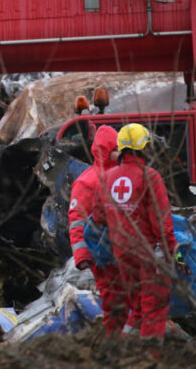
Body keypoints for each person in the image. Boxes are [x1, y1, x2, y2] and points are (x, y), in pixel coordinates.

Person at [94, 123, 178, 341]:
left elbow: (98, 217)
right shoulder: (150, 176)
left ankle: (122, 348)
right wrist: (171, 253)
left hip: (122, 254)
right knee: (154, 308)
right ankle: (148, 360)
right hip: (148, 254)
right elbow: (162, 222)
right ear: (144, 148)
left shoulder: (106, 178)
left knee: (139, 306)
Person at [67, 125, 125, 333]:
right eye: (115, 147)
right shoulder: (87, 182)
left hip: (127, 252)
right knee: (113, 301)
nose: (119, 151)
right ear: (104, 149)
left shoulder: (125, 175)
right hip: (103, 254)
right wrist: (82, 256)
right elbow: (77, 220)